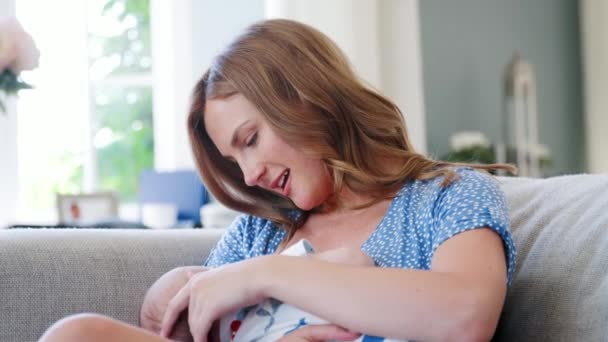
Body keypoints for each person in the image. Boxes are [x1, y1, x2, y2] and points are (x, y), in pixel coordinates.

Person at [38, 18, 517, 342]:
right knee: (75, 334)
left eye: (250, 140)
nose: (250, 176)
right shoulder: (263, 228)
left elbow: (468, 314)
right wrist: (174, 296)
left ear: (306, 98)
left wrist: (268, 273)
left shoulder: (446, 196)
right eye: (234, 160)